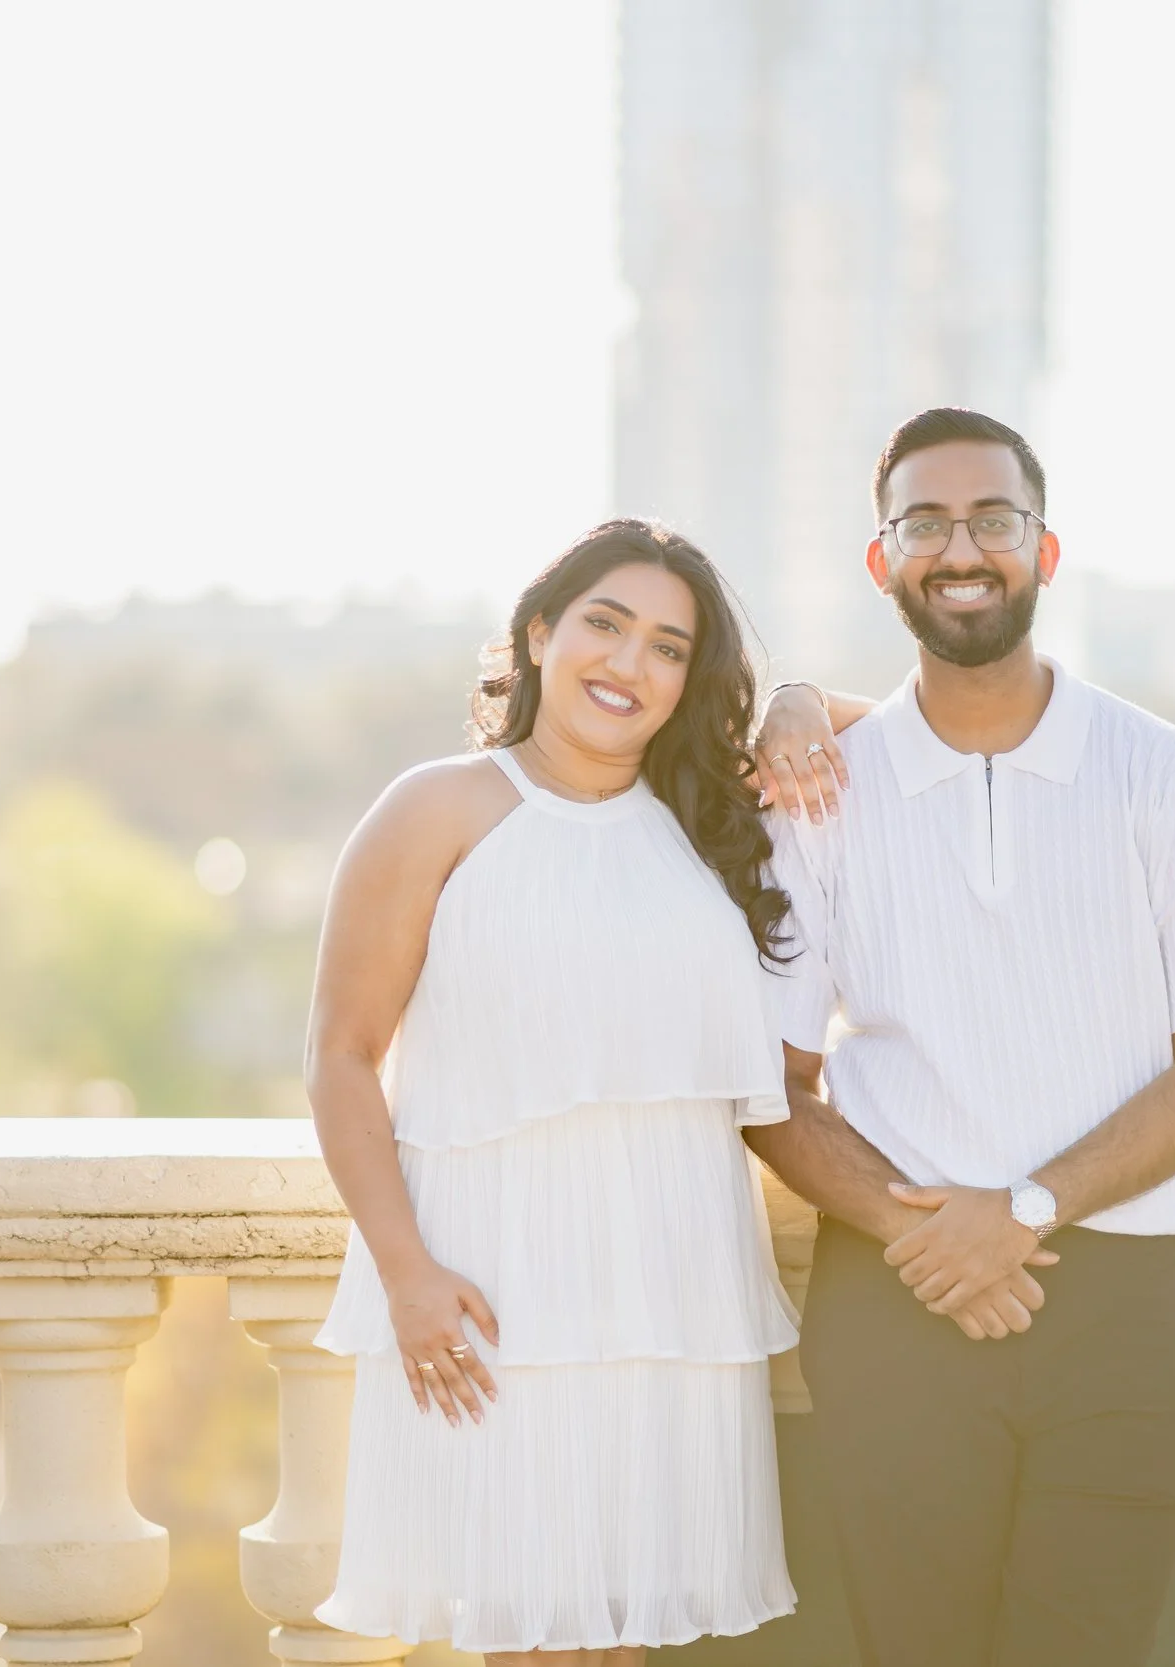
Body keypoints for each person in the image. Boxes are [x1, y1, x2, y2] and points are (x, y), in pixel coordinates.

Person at [743, 407, 1175, 1666]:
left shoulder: (1171, 778)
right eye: (924, 522)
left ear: (1045, 550)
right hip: (898, 1292)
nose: (961, 547)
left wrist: (1024, 1209)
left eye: (994, 518)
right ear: (882, 562)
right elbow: (772, 1084)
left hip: (1134, 1299)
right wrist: (925, 1232)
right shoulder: (823, 791)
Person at [306, 519, 801, 1665]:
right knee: (527, 1640)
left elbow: (905, 730)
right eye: (606, 625)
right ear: (539, 634)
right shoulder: (437, 807)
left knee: (622, 1642)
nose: (630, 665)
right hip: (497, 1289)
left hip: (666, 1298)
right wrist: (404, 1273)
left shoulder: (704, 819)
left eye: (670, 648)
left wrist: (801, 701)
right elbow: (340, 1053)